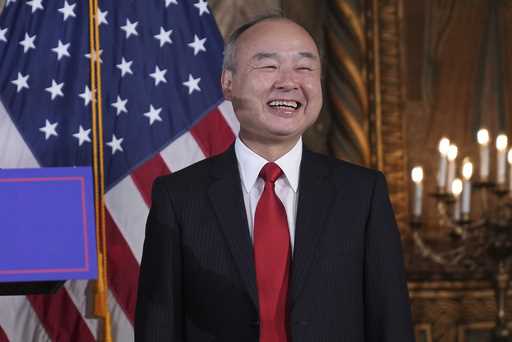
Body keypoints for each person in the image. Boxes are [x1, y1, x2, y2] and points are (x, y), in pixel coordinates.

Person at [135, 15, 414, 342]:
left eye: (305, 68)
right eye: (268, 66)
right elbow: (158, 326)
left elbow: (391, 323)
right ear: (228, 83)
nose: (288, 82)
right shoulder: (178, 197)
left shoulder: (362, 194)